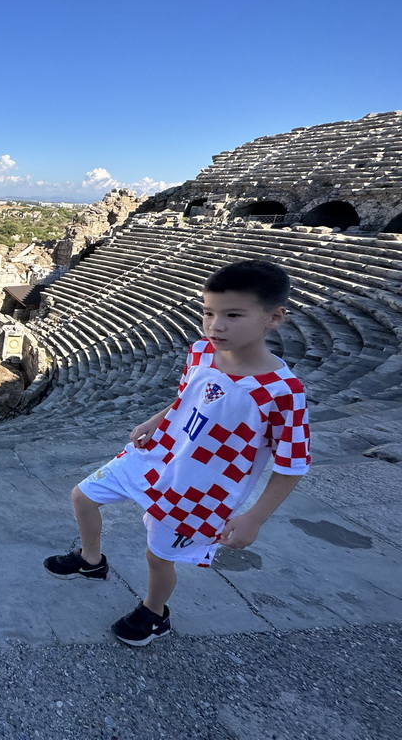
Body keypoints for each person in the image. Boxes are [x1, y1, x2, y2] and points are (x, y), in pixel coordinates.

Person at [43, 259, 310, 646]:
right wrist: (155, 420)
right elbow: (188, 398)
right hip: (158, 455)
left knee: (158, 556)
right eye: (209, 312)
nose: (216, 325)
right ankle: (90, 560)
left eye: (233, 315)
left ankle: (154, 613)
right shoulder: (201, 351)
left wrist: (254, 518)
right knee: (83, 496)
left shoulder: (281, 391)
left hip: (199, 487)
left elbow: (292, 465)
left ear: (274, 317)